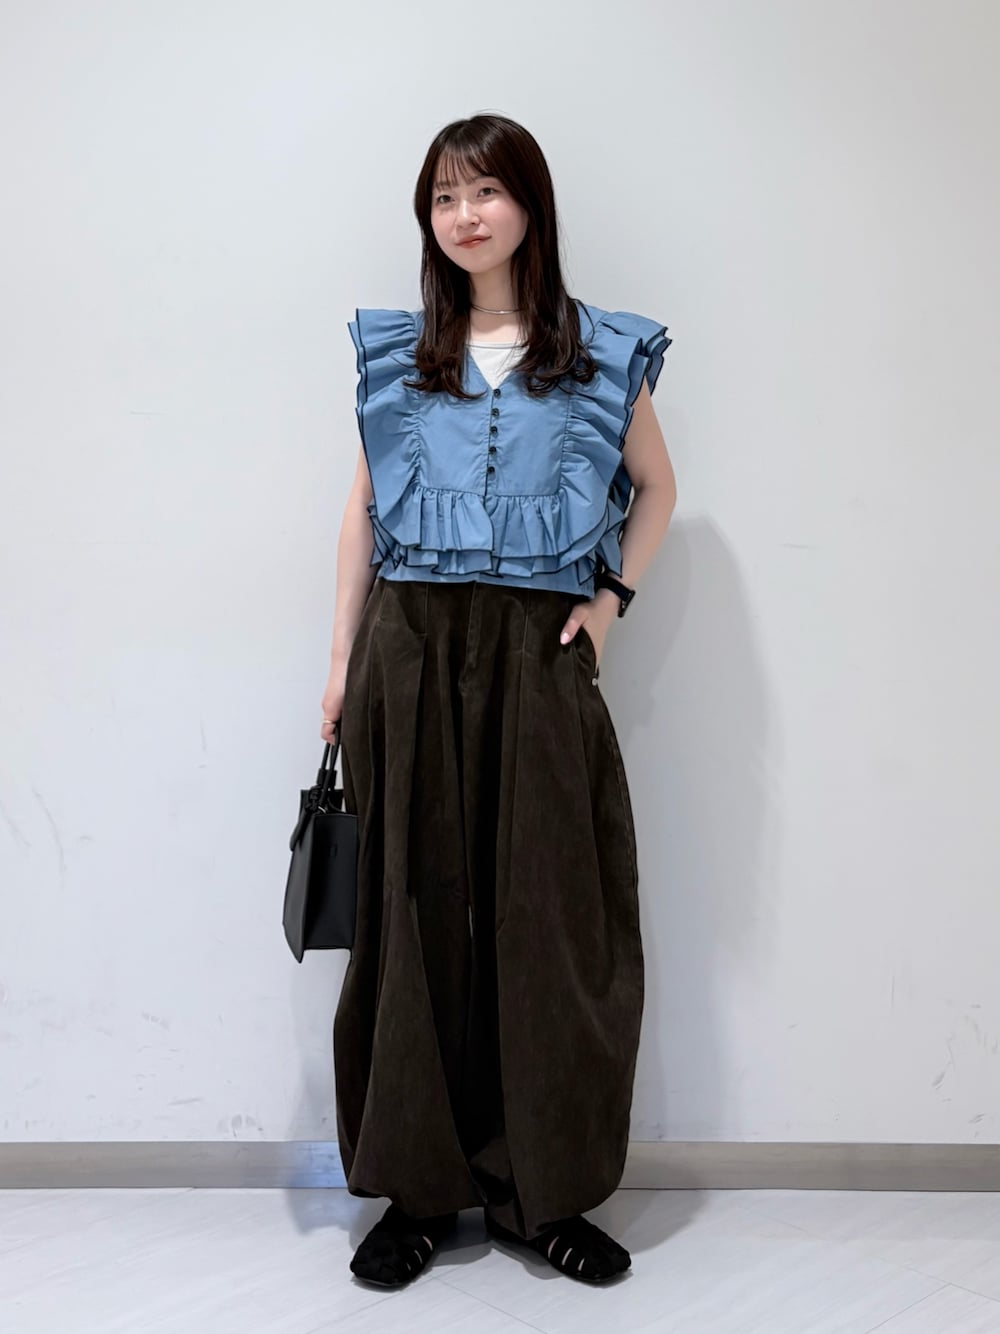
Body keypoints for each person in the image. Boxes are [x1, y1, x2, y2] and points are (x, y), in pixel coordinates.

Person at [320, 112, 677, 1289]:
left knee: (549, 916)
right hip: (411, 648)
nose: (464, 215)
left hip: (537, 652)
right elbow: (359, 517)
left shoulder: (600, 352)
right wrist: (340, 663)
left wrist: (608, 606)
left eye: (485, 191)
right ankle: (418, 1191)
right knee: (410, 917)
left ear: (530, 203)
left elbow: (657, 488)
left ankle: (543, 1191)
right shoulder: (398, 355)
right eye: (443, 196)